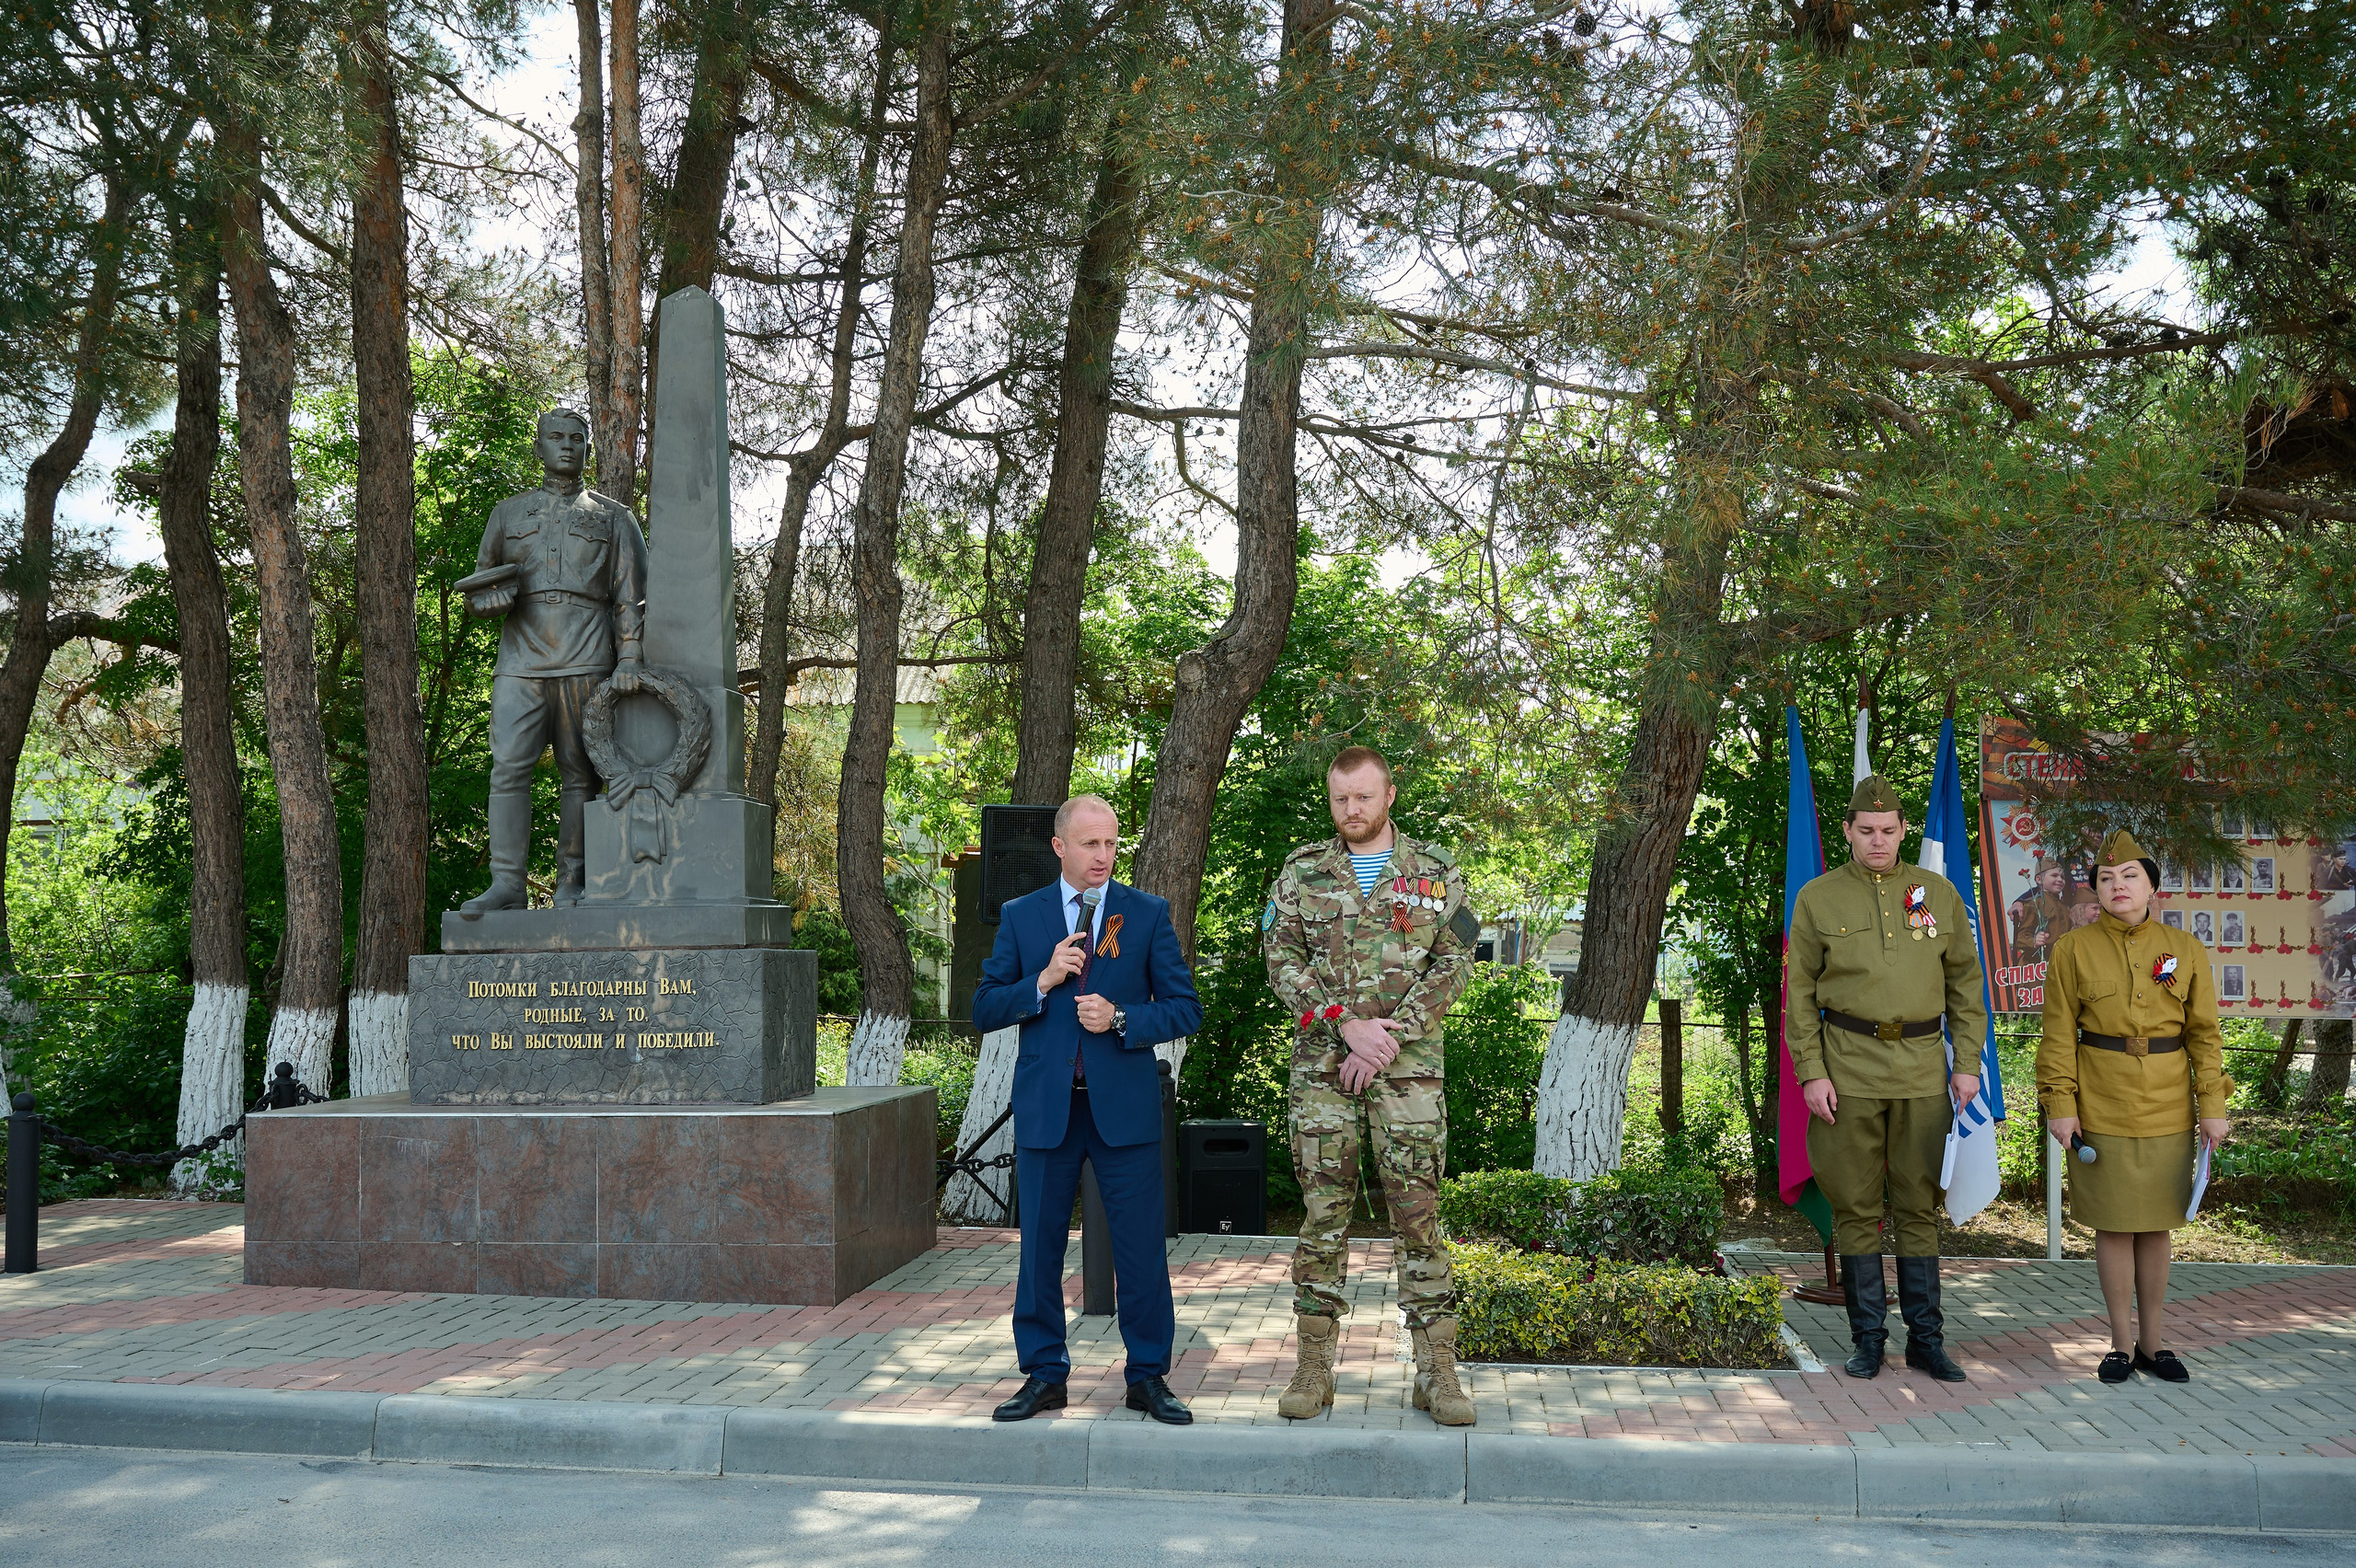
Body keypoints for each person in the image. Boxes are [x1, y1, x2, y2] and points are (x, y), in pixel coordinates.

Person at [1264, 746, 1479, 1426]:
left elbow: (1457, 958)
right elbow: (1281, 959)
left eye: (1362, 797)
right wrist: (1347, 1028)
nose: (1350, 810)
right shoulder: (1302, 871)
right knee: (1323, 1215)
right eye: (1339, 799)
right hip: (1323, 1069)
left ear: (1389, 794)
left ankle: (1438, 1372)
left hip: (1408, 1073)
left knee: (1417, 1216)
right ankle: (1313, 1367)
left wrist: (1387, 1038)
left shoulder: (1438, 874)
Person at [971, 794, 1202, 1424]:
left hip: (1123, 1112)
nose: (1103, 856)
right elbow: (985, 1006)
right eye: (1091, 844)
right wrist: (1041, 982)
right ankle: (1045, 1375)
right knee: (1040, 1249)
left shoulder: (1145, 914)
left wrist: (1123, 1017)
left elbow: (1186, 1008)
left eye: (1111, 844)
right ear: (1060, 847)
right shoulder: (1023, 917)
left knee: (1141, 1254)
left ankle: (1148, 1377)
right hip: (1049, 1110)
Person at [1785, 775, 1989, 1384]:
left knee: (1919, 1206)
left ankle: (1927, 1340)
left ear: (1904, 831)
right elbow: (1799, 995)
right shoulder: (1818, 898)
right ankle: (1867, 1340)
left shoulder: (1937, 893)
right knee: (1855, 1205)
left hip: (1925, 1067)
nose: (1878, 841)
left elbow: (1966, 985)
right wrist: (1811, 1073)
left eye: (1889, 831)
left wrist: (1970, 1064)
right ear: (1847, 831)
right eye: (1866, 831)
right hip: (1847, 1069)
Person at [2038, 830, 2233, 1385]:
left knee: (2156, 1227)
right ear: (2095, 889)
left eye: (2129, 877)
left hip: (2169, 1103)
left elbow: (2204, 1034)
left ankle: (2154, 1344)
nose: (2117, 886)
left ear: (2152, 886)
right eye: (2106, 878)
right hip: (2100, 1101)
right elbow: (2056, 1039)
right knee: (2115, 1226)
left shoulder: (2184, 947)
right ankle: (2120, 1346)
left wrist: (2212, 1106)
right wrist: (2060, 1104)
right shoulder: (2071, 950)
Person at [458, 409, 648, 915]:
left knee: (580, 773)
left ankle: (572, 883)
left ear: (588, 449)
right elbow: (478, 590)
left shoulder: (614, 518)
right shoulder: (507, 514)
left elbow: (632, 597)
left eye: (577, 439)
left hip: (587, 658)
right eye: (555, 437)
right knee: (507, 769)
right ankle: (506, 884)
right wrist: (487, 603)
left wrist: (629, 655)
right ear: (538, 446)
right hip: (520, 660)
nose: (567, 446)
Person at [2010, 859, 2071, 954]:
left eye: (2062, 877)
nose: (2060, 880)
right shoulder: (2034, 903)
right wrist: (2034, 941)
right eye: (2054, 875)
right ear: (2039, 879)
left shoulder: (2065, 907)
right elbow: (2020, 938)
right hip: (2039, 962)